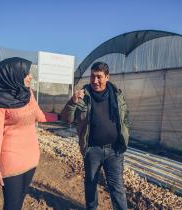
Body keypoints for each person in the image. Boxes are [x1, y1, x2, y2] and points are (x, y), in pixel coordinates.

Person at [0, 57, 57, 210]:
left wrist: (62, 116)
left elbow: (39, 116)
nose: (30, 76)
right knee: (12, 205)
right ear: (12, 74)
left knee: (19, 202)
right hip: (11, 161)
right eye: (26, 73)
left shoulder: (27, 93)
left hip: (31, 157)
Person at [61, 61, 130, 210]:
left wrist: (125, 136)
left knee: (117, 187)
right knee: (91, 183)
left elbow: (125, 118)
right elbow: (67, 119)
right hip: (92, 150)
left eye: (99, 77)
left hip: (114, 150)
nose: (95, 81)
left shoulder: (117, 96)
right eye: (92, 76)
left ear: (107, 77)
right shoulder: (83, 96)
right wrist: (72, 103)